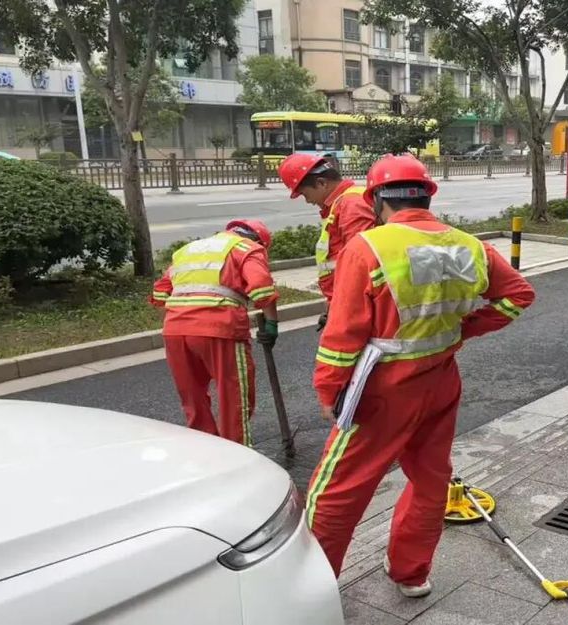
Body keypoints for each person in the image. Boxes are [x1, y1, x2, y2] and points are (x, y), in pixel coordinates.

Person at [305, 154, 536, 595]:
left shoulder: (369, 247)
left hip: (383, 386)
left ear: (377, 200)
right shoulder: (470, 245)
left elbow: (342, 336)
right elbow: (518, 295)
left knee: (336, 490)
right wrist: (464, 329)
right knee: (431, 481)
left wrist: (329, 391)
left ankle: (311, 590)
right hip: (441, 378)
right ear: (427, 195)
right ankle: (411, 573)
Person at [150, 219, 280, 446]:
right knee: (234, 397)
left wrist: (182, 317)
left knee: (193, 398)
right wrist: (272, 324)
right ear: (259, 241)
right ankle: (237, 453)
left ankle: (206, 450)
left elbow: (160, 293)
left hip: (175, 331)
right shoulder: (247, 248)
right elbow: (261, 288)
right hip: (220, 329)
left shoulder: (189, 250)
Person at [277, 153, 377, 330]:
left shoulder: (351, 205)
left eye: (305, 194)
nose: (308, 201)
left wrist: (342, 309)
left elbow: (360, 265)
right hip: (347, 301)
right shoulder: (341, 204)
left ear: (322, 183)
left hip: (355, 304)